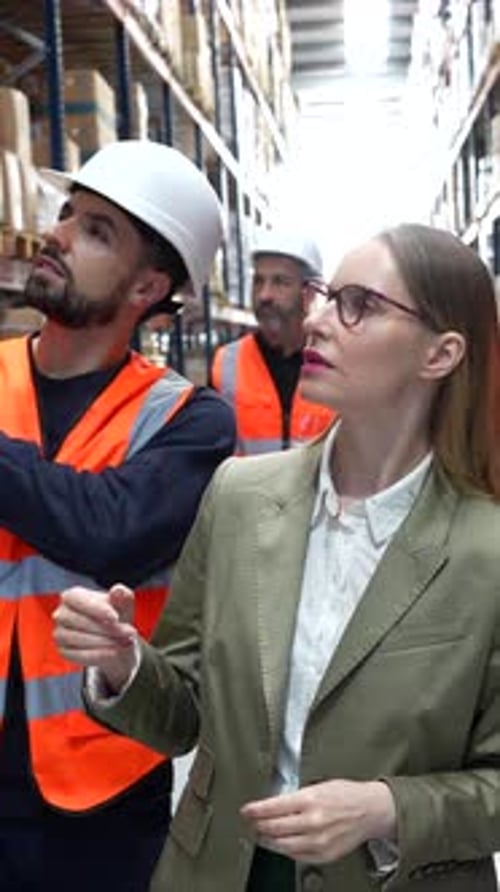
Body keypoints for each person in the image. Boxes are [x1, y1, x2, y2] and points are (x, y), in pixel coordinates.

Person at [54, 222, 500, 892]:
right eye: (326, 296)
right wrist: (123, 664)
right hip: (217, 870)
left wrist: (388, 808)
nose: (317, 321)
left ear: (440, 355)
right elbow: (184, 715)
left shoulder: (484, 550)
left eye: (361, 305)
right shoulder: (239, 496)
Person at [0, 139, 235, 892]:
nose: (59, 234)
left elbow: (108, 529)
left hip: (98, 794)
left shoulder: (189, 420)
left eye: (96, 230)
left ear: (149, 285)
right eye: (66, 214)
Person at [211, 226, 334, 453]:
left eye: (280, 282)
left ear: (309, 293)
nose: (264, 295)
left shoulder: (337, 363)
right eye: (258, 281)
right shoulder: (225, 363)